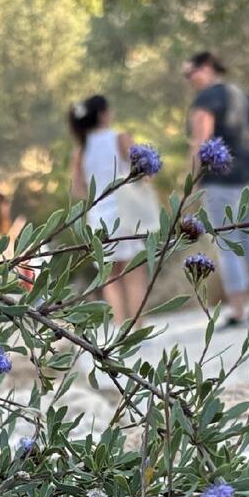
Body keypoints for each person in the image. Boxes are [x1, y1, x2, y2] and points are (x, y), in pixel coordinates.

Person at [183, 51, 249, 324]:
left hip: (219, 180)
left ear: (207, 67)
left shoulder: (206, 100)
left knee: (226, 242)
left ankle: (237, 311)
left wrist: (192, 183)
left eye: (191, 72)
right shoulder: (240, 94)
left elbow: (201, 142)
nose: (189, 79)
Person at [66, 94, 158, 324]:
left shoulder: (81, 149)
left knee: (109, 277)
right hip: (124, 213)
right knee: (134, 272)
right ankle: (138, 327)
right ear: (102, 114)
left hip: (98, 217)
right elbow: (146, 170)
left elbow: (77, 188)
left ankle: (119, 327)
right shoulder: (119, 138)